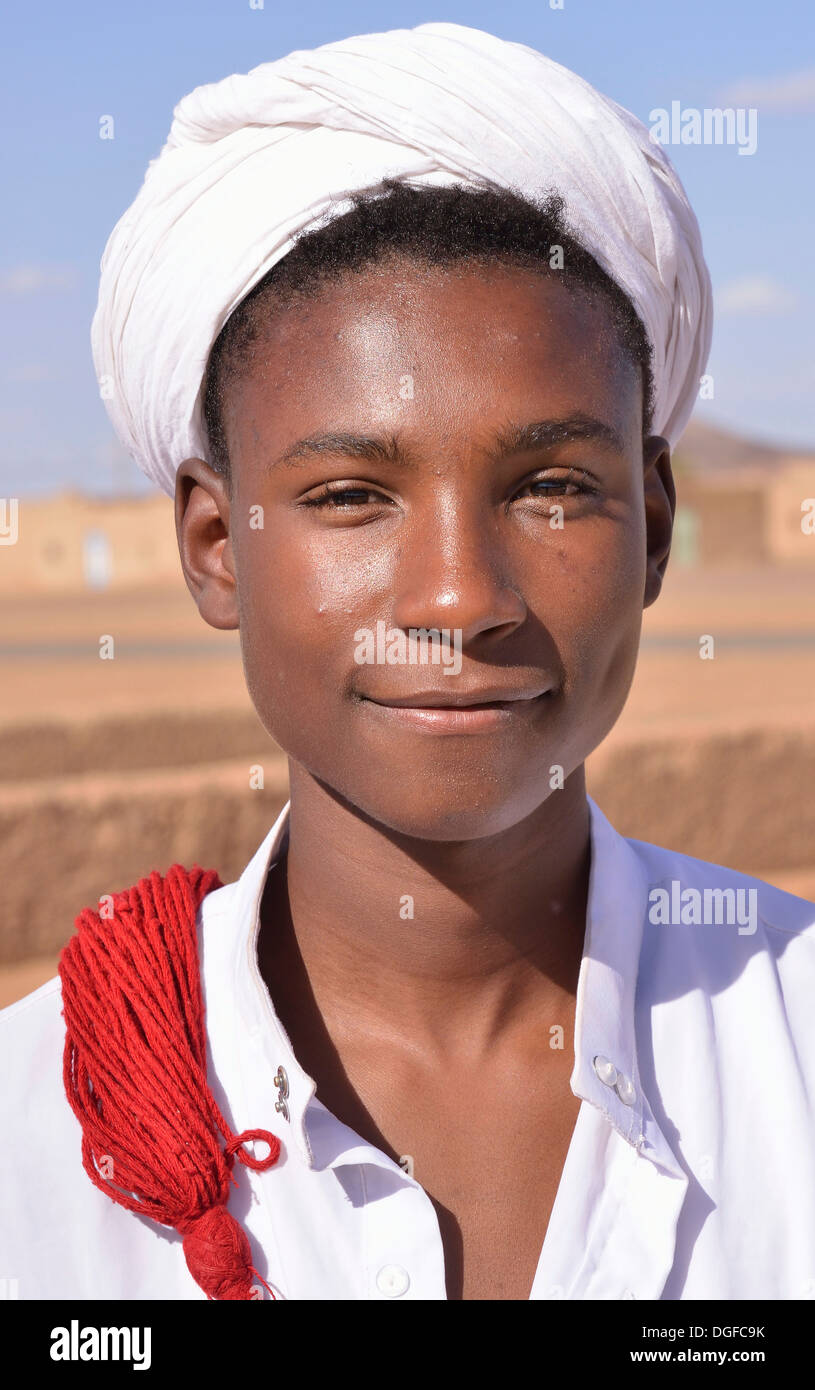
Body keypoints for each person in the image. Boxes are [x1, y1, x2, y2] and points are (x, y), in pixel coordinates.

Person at [2, 21, 814, 1303]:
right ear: (217, 545)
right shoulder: (35, 1141)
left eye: (549, 487)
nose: (458, 596)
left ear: (654, 527)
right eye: (347, 496)